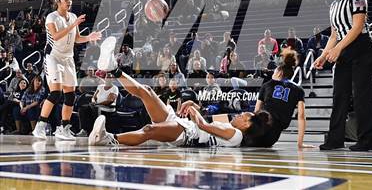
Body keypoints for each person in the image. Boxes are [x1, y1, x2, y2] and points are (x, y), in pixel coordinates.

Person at [89, 36, 272, 147]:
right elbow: (207, 121)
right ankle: (113, 69)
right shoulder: (230, 127)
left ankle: (109, 139)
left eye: (244, 115)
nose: (240, 114)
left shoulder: (237, 135)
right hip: (183, 124)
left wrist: (193, 112)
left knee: (149, 130)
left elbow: (204, 127)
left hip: (187, 134)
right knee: (147, 92)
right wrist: (194, 106)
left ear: (247, 124)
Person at [314, 0, 372, 151]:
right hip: (344, 51)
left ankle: (368, 141)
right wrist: (323, 56)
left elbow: (357, 27)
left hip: (362, 50)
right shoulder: (333, 6)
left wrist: (338, 49)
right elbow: (334, 35)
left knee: (361, 96)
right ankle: (335, 140)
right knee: (339, 96)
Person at [32, 0, 102, 140]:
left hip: (68, 58)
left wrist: (89, 37)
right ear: (58, 2)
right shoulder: (52, 17)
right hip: (53, 57)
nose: (69, 1)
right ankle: (40, 126)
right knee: (56, 93)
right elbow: (56, 36)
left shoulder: (73, 17)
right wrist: (74, 24)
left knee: (70, 96)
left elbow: (77, 38)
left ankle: (63, 128)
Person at [255, 50, 312, 148]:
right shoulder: (298, 89)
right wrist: (300, 143)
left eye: (275, 70)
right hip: (271, 139)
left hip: (256, 132)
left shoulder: (267, 85)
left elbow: (256, 111)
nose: (273, 72)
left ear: (280, 72)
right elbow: (301, 116)